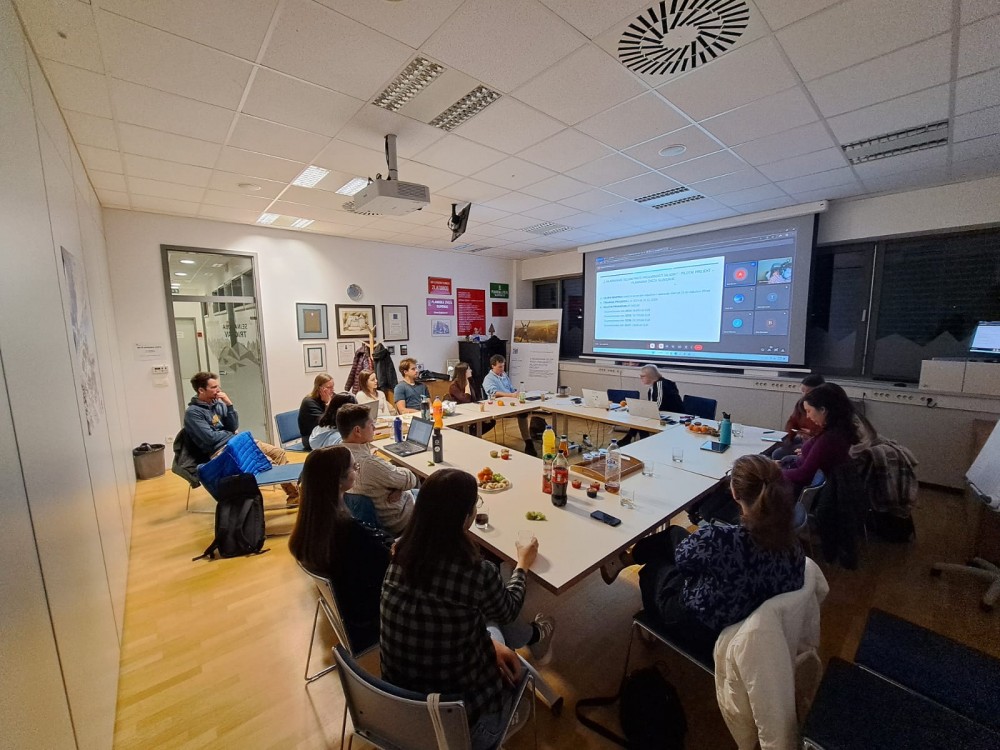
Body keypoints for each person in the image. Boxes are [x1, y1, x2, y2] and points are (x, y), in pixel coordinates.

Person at [380, 468, 555, 749]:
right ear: (466, 517)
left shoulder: (398, 556)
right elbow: (509, 609)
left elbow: (436, 619)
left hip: (400, 711)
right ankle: (534, 637)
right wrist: (522, 564)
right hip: (463, 727)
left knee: (484, 616)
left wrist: (490, 646)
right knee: (495, 620)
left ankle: (532, 636)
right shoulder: (475, 573)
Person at [603, 455, 805, 652]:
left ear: (735, 493)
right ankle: (623, 560)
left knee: (656, 566)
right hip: (750, 624)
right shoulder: (793, 546)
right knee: (674, 534)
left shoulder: (721, 540)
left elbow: (683, 561)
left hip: (700, 629)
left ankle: (635, 581)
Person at [288, 446, 392, 648]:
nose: (357, 470)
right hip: (370, 616)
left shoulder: (309, 526)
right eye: (354, 467)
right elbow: (387, 563)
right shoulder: (347, 531)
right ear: (339, 480)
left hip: (344, 609)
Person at [183, 371, 297, 500]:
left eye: (218, 386)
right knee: (267, 462)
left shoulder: (217, 404)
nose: (218, 390)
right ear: (201, 390)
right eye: (214, 387)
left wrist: (229, 405)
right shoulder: (193, 413)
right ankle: (296, 495)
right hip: (221, 450)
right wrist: (229, 433)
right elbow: (210, 438)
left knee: (278, 453)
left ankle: (294, 494)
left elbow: (233, 426)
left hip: (237, 442)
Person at [337, 404, 418, 535]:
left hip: (370, 514)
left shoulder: (338, 454)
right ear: (357, 431)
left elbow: (383, 476)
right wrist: (399, 484)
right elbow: (410, 480)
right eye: (371, 424)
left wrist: (396, 485)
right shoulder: (369, 464)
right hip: (398, 519)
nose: (374, 428)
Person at [781, 382, 859, 492]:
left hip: (803, 488)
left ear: (823, 410)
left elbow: (803, 475)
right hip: (805, 473)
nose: (808, 416)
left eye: (809, 411)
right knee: (783, 460)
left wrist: (772, 471)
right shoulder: (836, 430)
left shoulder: (830, 439)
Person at [481, 355, 536, 456]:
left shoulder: (504, 375)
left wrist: (516, 393)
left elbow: (511, 389)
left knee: (523, 412)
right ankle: (528, 441)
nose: (502, 369)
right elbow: (494, 393)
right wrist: (511, 395)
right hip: (498, 405)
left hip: (510, 402)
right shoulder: (488, 379)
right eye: (500, 366)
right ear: (493, 366)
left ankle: (528, 441)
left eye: (503, 366)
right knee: (522, 413)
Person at [618, 364, 683, 446]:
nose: (640, 378)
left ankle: (635, 440)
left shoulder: (660, 384)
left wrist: (644, 411)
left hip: (674, 416)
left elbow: (658, 405)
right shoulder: (653, 386)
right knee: (640, 417)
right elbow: (652, 404)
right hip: (664, 414)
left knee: (641, 418)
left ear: (651, 376)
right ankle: (636, 440)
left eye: (643, 376)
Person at [773, 373, 825, 460]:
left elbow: (826, 434)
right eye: (802, 391)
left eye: (809, 392)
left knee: (779, 455)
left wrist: (812, 434)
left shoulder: (823, 409)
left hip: (814, 443)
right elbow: (792, 421)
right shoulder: (801, 403)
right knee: (774, 447)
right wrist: (789, 438)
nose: (804, 395)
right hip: (803, 439)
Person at [298, 373, 334, 451]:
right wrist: (328, 405)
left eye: (333, 387)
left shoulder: (332, 397)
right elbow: (323, 422)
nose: (332, 390)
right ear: (319, 388)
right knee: (339, 441)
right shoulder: (309, 402)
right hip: (311, 437)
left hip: (326, 432)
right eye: (329, 387)